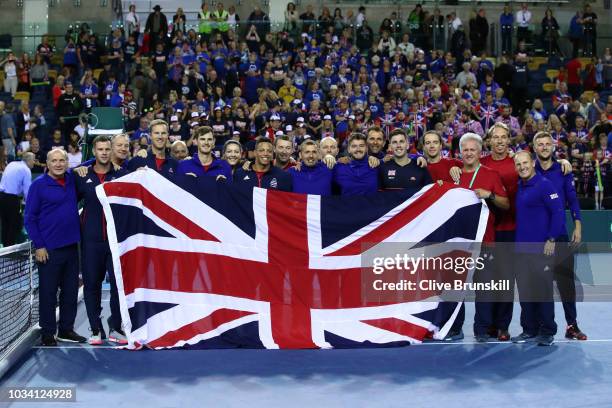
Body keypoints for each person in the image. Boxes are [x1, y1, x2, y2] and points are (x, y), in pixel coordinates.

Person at [24, 149, 86, 346]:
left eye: (62, 160)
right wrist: (39, 246)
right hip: (49, 250)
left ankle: (66, 330)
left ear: (67, 162)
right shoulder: (38, 186)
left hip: (71, 248)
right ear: (47, 164)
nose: (58, 164)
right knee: (49, 294)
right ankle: (48, 333)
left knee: (70, 292)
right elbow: (30, 218)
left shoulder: (70, 178)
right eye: (54, 161)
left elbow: (95, 160)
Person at [453, 133, 509, 342]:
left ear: (480, 152)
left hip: (485, 241)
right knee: (454, 288)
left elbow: (506, 204)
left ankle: (482, 330)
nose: (468, 153)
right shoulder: (454, 175)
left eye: (472, 150)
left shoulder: (491, 174)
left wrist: (490, 195)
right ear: (460, 153)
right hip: (458, 243)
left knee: (484, 288)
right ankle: (452, 328)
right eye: (465, 150)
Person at [533, 131, 587, 340]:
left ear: (553, 147)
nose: (544, 147)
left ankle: (571, 326)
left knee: (566, 283)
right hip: (537, 238)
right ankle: (541, 325)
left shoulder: (563, 170)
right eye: (540, 144)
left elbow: (572, 200)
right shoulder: (528, 170)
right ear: (535, 148)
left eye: (548, 144)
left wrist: (578, 226)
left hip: (561, 235)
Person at [74, 136, 127, 345]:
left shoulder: (123, 175)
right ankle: (95, 329)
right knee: (91, 286)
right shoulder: (81, 176)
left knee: (118, 286)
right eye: (100, 149)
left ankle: (116, 327)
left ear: (111, 150)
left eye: (107, 149)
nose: (104, 152)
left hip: (116, 243)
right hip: (91, 243)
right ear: (94, 152)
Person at [511, 151, 565, 347]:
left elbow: (558, 212)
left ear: (532, 163)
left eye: (525, 163)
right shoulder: (520, 185)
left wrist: (552, 238)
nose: (522, 167)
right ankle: (529, 329)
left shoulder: (544, 185)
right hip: (521, 249)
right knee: (525, 292)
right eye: (518, 164)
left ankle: (547, 330)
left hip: (542, 249)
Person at [379, 129, 432, 195]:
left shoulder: (420, 166)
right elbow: (379, 196)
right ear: (390, 146)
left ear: (407, 145)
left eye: (401, 141)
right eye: (394, 142)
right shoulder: (383, 168)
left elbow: (430, 193)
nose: (398, 145)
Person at [0, 152, 34, 246]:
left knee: (5, 223)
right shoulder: (26, 170)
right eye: (33, 160)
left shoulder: (12, 164)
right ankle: (10, 249)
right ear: (29, 160)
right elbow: (28, 192)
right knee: (14, 223)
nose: (34, 162)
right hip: (11, 198)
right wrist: (31, 206)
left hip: (2, 196)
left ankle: (6, 248)